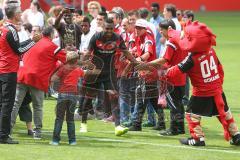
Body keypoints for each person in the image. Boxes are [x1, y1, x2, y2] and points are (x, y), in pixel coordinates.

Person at [166, 21, 240, 146]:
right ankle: (236, 135)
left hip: (202, 92)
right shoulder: (210, 50)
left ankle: (197, 138)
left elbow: (176, 71)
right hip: (217, 90)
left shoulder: (192, 59)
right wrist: (218, 84)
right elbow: (220, 68)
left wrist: (165, 72)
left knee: (191, 115)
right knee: (224, 112)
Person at [80, 18, 137, 136]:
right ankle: (83, 124)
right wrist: (81, 65)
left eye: (111, 29)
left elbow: (125, 52)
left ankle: (118, 127)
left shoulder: (117, 38)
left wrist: (136, 62)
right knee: (89, 97)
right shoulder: (96, 37)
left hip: (109, 73)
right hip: (95, 72)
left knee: (114, 97)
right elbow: (87, 53)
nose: (109, 31)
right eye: (107, 29)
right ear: (103, 27)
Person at [11, 26, 67, 140]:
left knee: (16, 103)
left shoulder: (34, 42)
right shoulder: (52, 46)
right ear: (51, 35)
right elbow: (68, 59)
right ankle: (37, 131)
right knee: (38, 106)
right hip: (37, 78)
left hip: (22, 75)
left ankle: (7, 129)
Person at [135, 19, 187, 135]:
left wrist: (147, 64)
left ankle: (173, 129)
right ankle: (180, 128)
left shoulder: (171, 42)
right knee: (178, 103)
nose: (160, 32)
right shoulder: (180, 39)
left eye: (162, 30)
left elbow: (165, 59)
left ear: (168, 29)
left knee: (173, 104)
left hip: (172, 77)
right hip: (181, 76)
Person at [0, 0, 35, 144]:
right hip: (9, 71)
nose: (21, 13)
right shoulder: (11, 30)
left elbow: (13, 48)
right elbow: (18, 50)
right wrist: (33, 42)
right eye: (20, 11)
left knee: (2, 103)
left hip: (2, 69)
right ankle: (3, 136)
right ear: (15, 14)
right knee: (7, 104)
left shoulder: (3, 27)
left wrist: (31, 40)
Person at [128, 19, 165, 132]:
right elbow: (137, 50)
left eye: (139, 28)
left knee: (141, 98)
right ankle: (162, 122)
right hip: (147, 72)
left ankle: (137, 124)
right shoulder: (139, 37)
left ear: (145, 29)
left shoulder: (148, 38)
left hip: (148, 73)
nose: (137, 30)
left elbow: (148, 53)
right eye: (136, 27)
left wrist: (137, 60)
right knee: (153, 99)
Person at [50, 51, 83, 146]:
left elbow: (53, 79)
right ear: (76, 60)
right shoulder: (78, 69)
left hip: (63, 94)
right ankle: (72, 141)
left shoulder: (63, 68)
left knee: (59, 118)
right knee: (70, 119)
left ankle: (55, 140)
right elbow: (84, 75)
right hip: (73, 95)